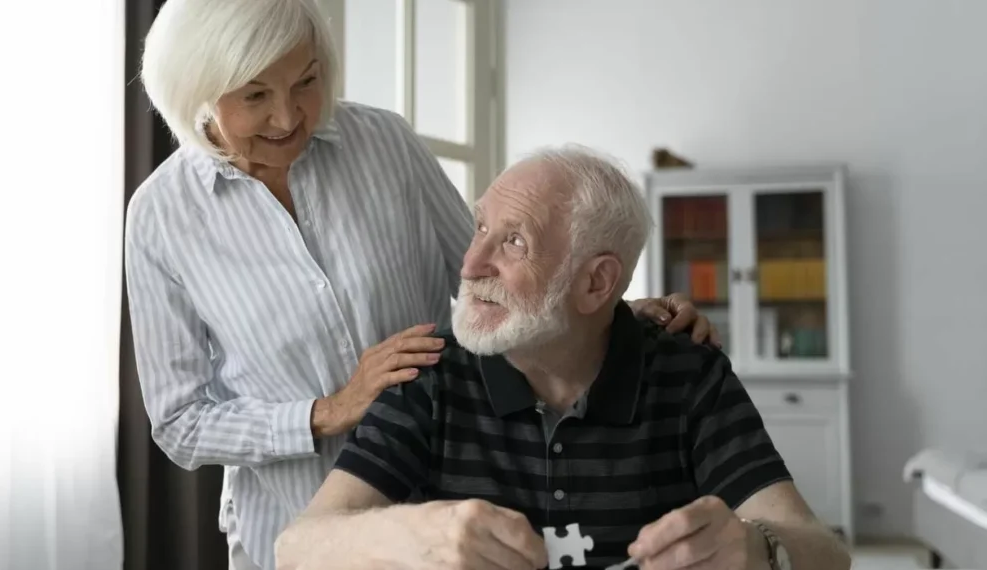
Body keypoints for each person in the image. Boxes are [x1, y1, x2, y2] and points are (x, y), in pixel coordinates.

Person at [125, 1, 719, 568]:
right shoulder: (160, 217)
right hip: (284, 533)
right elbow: (181, 422)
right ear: (194, 91)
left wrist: (602, 314)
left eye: (305, 81)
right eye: (255, 95)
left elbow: (490, 280)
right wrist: (325, 412)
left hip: (438, 522)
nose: (288, 117)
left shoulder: (385, 143)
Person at [274, 146, 851, 570]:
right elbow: (296, 546)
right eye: (480, 228)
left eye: (514, 241)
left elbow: (825, 551)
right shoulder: (429, 373)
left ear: (598, 283)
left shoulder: (688, 372)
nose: (471, 264)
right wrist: (418, 534)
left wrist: (756, 548)